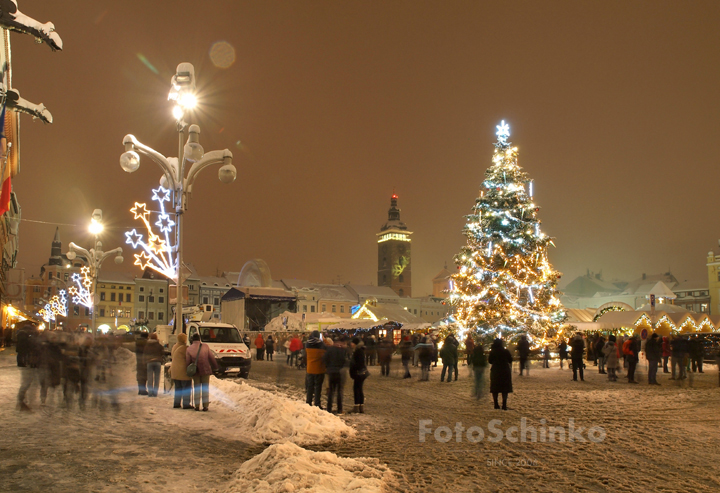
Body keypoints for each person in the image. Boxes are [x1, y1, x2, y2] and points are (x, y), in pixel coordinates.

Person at [186, 333, 218, 411]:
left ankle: (197, 406)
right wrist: (215, 367)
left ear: (192, 340)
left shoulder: (189, 349)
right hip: (205, 370)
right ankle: (205, 406)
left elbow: (188, 362)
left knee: (196, 388)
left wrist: (188, 370)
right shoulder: (205, 346)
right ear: (199, 339)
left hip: (195, 372)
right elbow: (211, 357)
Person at [16, 323, 40, 411]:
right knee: (26, 382)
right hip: (26, 362)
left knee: (27, 382)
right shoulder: (24, 337)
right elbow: (24, 349)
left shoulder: (23, 336)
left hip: (25, 362)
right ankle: (21, 402)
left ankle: (22, 401)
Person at [322, 337, 346, 414]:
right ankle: (339, 409)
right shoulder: (342, 350)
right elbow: (344, 361)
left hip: (331, 372)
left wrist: (328, 367)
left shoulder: (329, 350)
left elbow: (324, 359)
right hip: (339, 372)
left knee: (331, 391)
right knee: (339, 391)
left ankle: (329, 408)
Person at [488, 338, 513, 410]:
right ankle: (504, 404)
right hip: (505, 370)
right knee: (505, 388)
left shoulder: (493, 352)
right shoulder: (505, 351)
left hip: (496, 370)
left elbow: (490, 361)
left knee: (495, 387)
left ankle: (496, 404)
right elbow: (510, 360)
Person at [170, 333, 193, 409]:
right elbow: (189, 359)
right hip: (183, 371)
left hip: (175, 370)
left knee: (178, 388)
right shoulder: (184, 348)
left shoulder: (174, 346)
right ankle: (186, 404)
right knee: (186, 387)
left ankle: (176, 403)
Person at [304, 330, 326, 407]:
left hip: (310, 369)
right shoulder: (321, 344)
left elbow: (305, 355)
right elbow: (329, 347)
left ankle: (308, 401)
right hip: (319, 369)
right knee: (318, 387)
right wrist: (323, 339)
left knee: (310, 386)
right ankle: (317, 403)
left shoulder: (307, 344)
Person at [349, 337, 368, 413]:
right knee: (359, 389)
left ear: (355, 344)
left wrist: (354, 368)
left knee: (357, 389)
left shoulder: (358, 351)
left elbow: (358, 363)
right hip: (360, 373)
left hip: (358, 373)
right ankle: (360, 406)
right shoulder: (359, 350)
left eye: (352, 343)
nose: (351, 344)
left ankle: (357, 406)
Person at [144, 333, 164, 397]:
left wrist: (144, 361)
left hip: (149, 362)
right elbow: (162, 352)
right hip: (157, 362)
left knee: (150, 377)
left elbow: (144, 354)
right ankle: (155, 393)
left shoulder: (147, 345)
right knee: (157, 378)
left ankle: (150, 392)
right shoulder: (159, 345)